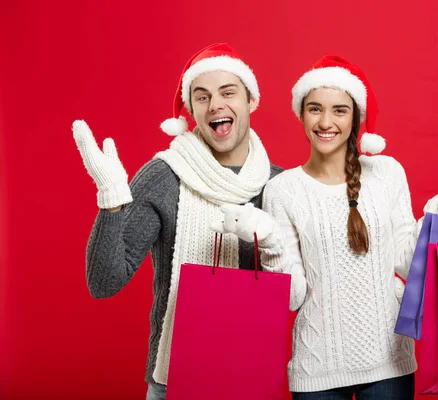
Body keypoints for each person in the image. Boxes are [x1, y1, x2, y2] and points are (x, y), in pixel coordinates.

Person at [212, 55, 438, 399]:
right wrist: (269, 241)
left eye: (340, 110)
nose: (326, 122)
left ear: (355, 118)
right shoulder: (282, 190)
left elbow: (406, 262)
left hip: (390, 364)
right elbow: (292, 297)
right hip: (316, 371)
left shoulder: (387, 173)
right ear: (301, 114)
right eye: (315, 109)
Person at [72, 43, 282, 400]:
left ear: (251, 101)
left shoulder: (279, 186)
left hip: (251, 377)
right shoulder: (164, 176)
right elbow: (104, 282)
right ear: (192, 111)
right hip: (173, 382)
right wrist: (111, 201)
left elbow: (303, 290)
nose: (215, 104)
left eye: (228, 92)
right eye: (202, 97)